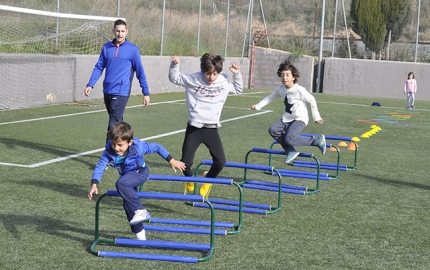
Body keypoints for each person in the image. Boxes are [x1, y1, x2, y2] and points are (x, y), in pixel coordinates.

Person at [87, 121, 185, 240]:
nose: (116, 148)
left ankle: (141, 210)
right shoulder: (109, 151)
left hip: (140, 172)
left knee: (121, 183)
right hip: (127, 177)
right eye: (113, 144)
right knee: (127, 204)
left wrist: (171, 160)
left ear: (130, 142)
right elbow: (100, 166)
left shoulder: (138, 147)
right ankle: (140, 235)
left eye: (120, 145)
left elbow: (156, 147)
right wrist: (94, 183)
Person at [168, 53, 243, 198]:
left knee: (220, 162)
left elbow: (238, 89)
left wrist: (237, 74)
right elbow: (174, 78)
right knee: (185, 163)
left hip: (211, 129)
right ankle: (189, 179)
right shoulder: (193, 79)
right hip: (194, 128)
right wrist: (174, 65)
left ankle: (208, 180)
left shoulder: (223, 81)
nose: (211, 77)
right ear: (203, 71)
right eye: (208, 74)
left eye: (214, 74)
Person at [84, 19, 150, 144]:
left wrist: (145, 92)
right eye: (118, 31)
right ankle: (128, 146)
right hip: (107, 90)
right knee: (118, 124)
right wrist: (90, 84)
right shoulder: (107, 47)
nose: (120, 34)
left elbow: (140, 71)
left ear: (127, 32)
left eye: (123, 31)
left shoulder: (132, 50)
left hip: (121, 91)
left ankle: (109, 154)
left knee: (112, 125)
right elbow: (99, 67)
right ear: (113, 31)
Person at [251, 59, 326, 164]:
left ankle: (316, 140)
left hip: (300, 118)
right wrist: (258, 106)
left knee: (289, 138)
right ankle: (290, 150)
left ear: (293, 77)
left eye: (287, 75)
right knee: (273, 130)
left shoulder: (299, 90)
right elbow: (270, 98)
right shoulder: (280, 89)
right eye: (282, 75)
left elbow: (312, 100)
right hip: (287, 118)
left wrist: (316, 117)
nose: (284, 77)